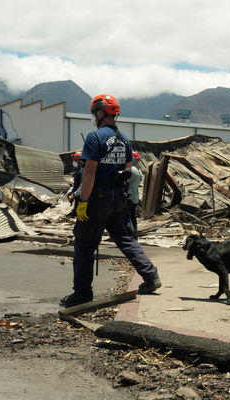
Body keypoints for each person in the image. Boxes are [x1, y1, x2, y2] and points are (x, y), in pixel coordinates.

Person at [59, 94, 161, 308]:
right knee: (126, 239)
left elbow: (89, 173)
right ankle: (151, 277)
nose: (94, 116)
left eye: (94, 112)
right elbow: (127, 170)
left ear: (99, 112)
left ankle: (83, 293)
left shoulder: (95, 138)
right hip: (119, 199)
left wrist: (83, 201)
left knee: (84, 244)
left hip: (98, 199)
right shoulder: (124, 140)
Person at [127, 151, 143, 239]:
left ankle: (130, 236)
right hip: (134, 197)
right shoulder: (138, 171)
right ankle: (134, 236)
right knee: (133, 218)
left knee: (127, 218)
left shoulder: (131, 170)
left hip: (129, 198)